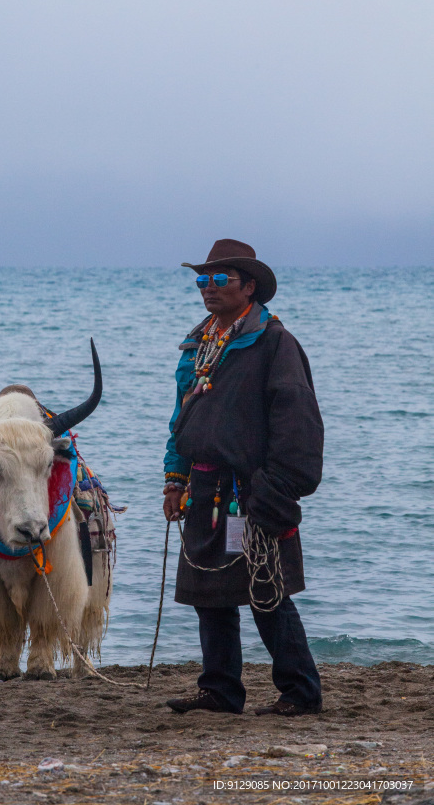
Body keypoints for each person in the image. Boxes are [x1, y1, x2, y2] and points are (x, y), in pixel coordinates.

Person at [163, 239, 323, 716]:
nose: (207, 289)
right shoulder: (199, 343)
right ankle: (220, 691)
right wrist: (175, 478)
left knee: (266, 589)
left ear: (249, 286)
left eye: (219, 280)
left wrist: (277, 488)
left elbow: (297, 422)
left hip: (251, 489)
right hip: (204, 487)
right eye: (201, 281)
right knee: (209, 596)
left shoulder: (274, 342)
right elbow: (181, 417)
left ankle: (301, 692)